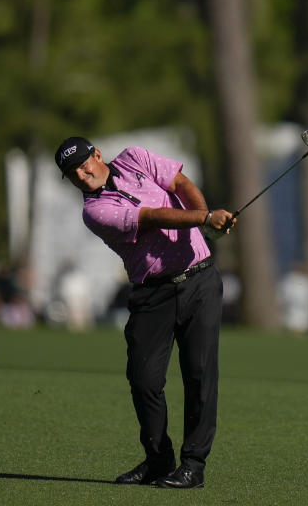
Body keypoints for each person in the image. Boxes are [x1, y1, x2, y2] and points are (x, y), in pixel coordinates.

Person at [55, 136, 235, 489]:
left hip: (199, 280)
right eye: (71, 172)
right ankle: (158, 460)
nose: (81, 173)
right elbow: (150, 217)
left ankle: (193, 466)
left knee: (199, 374)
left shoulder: (135, 157)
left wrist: (204, 223)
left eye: (83, 163)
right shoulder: (94, 212)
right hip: (153, 293)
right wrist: (204, 217)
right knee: (144, 379)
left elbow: (180, 183)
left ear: (98, 155)